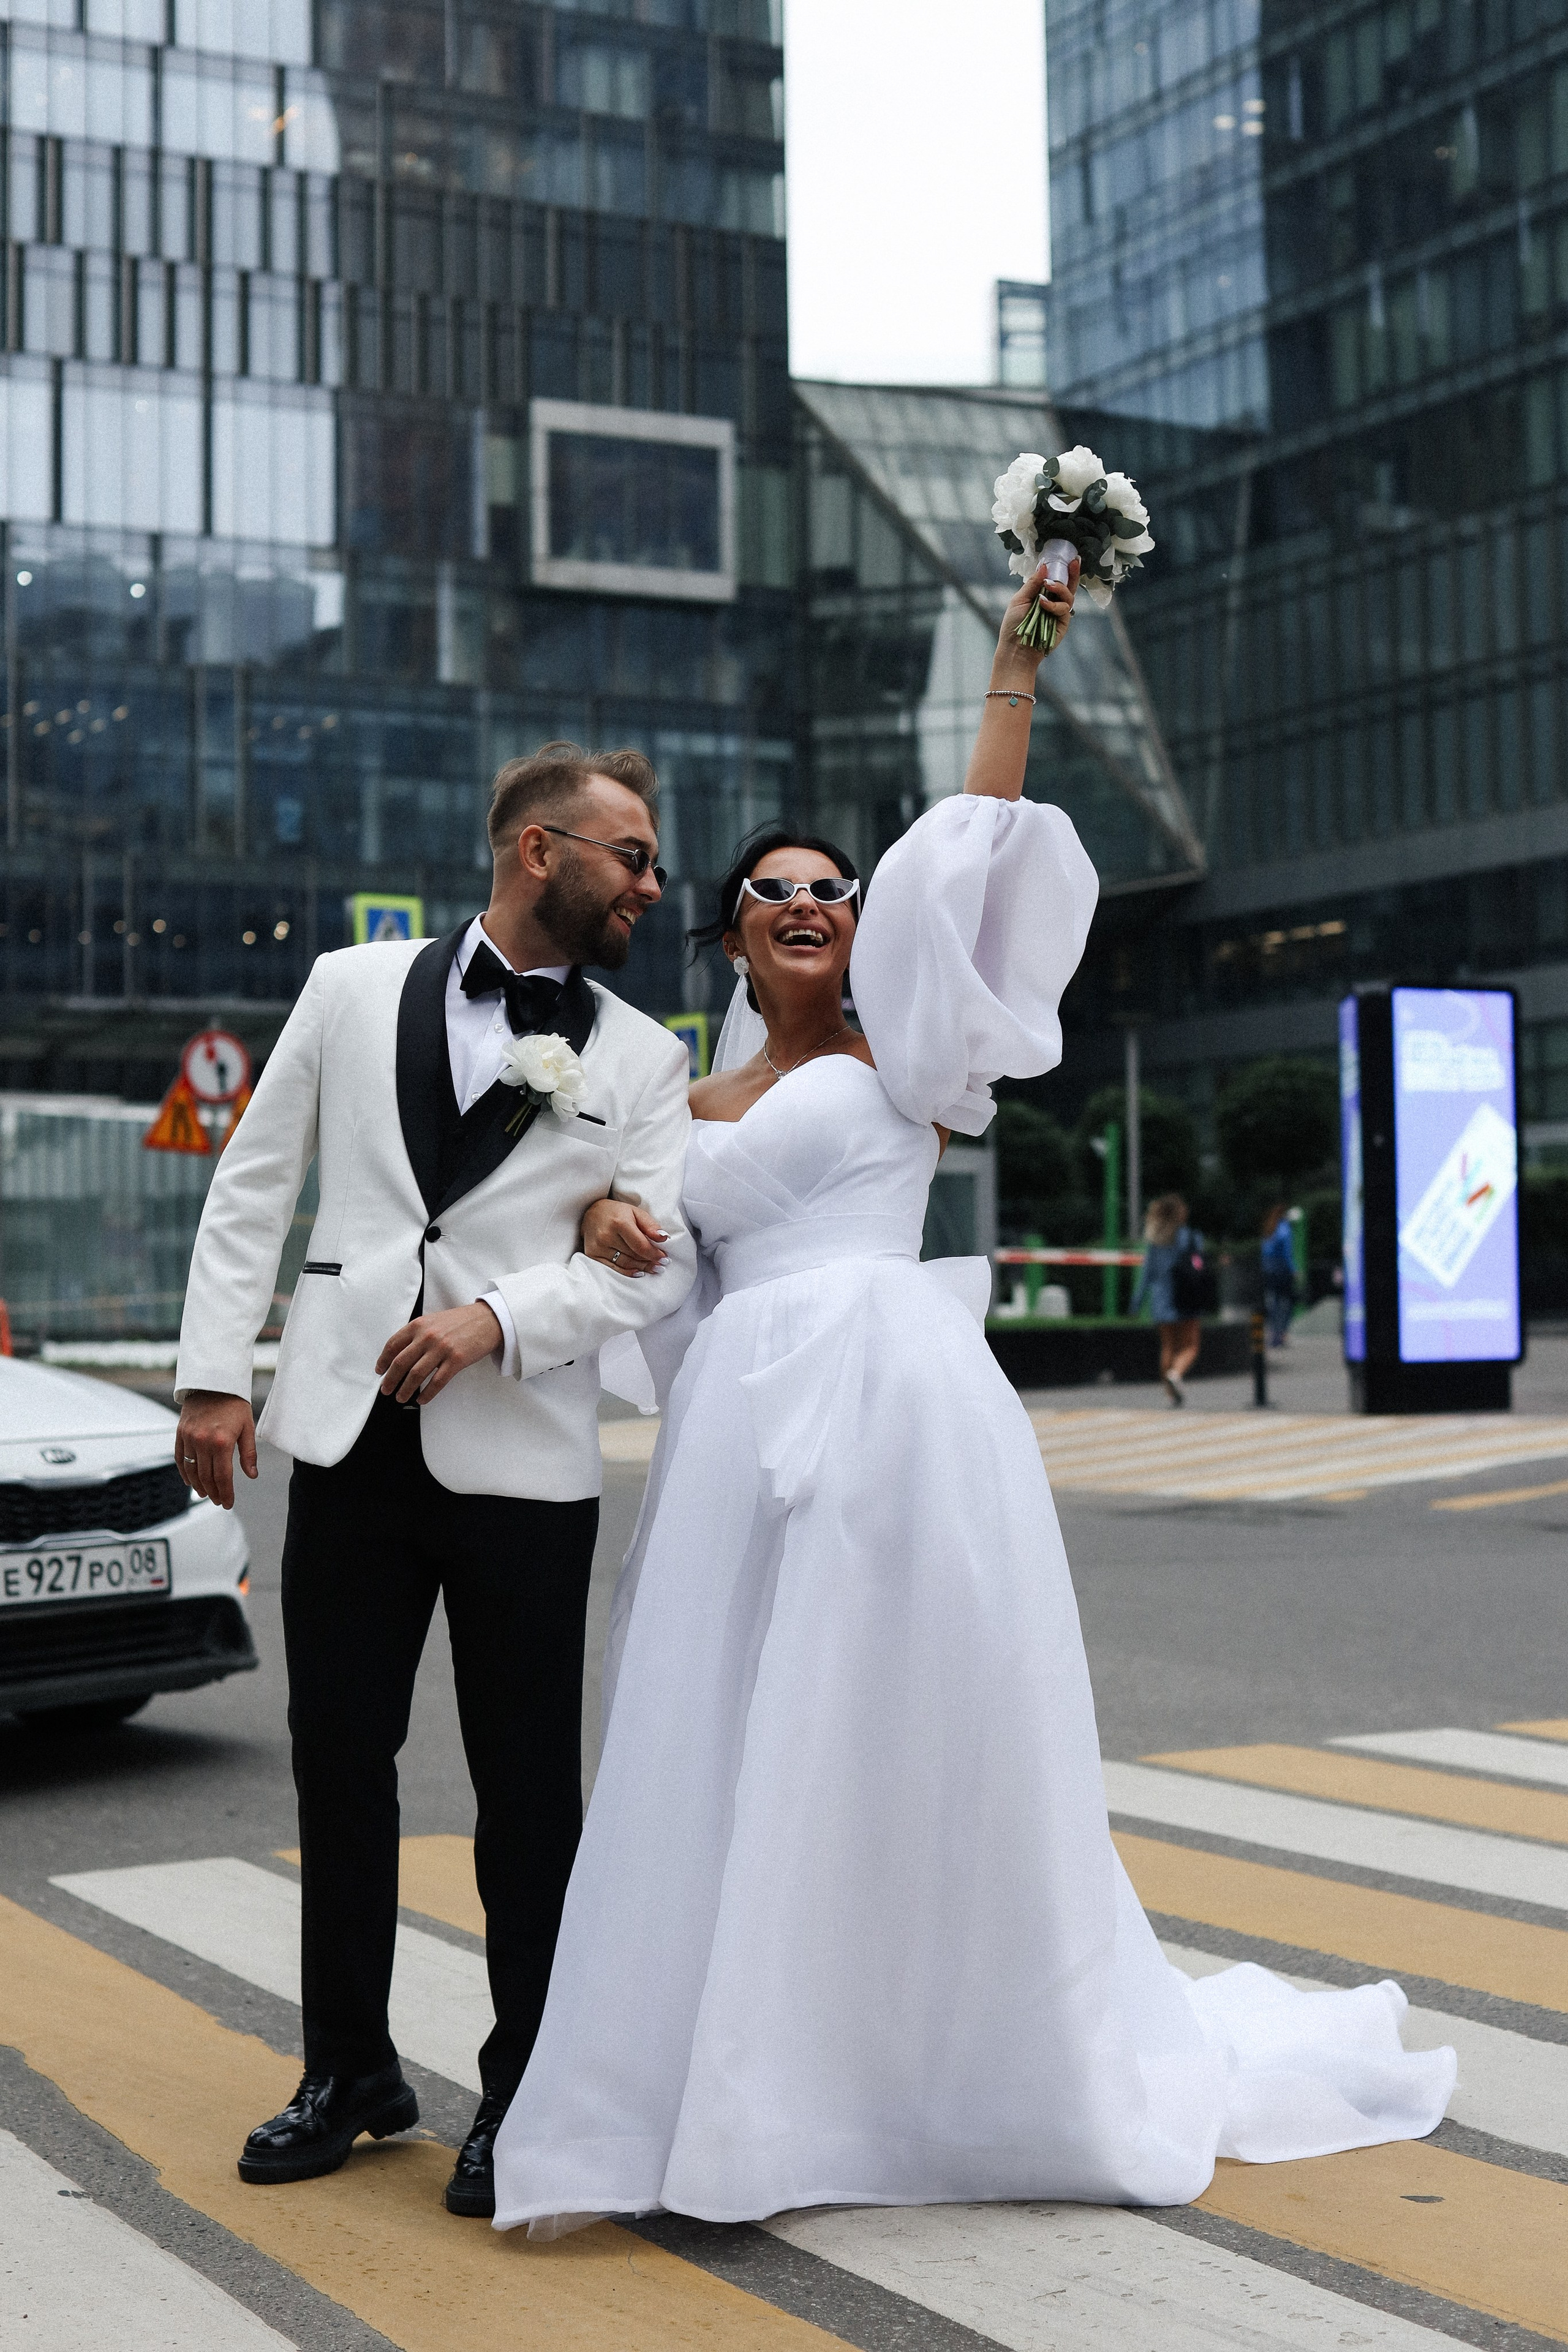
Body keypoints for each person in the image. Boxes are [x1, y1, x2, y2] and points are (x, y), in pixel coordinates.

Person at [489, 563, 1453, 2235]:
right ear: (727, 931)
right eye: (771, 889)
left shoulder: (913, 1058)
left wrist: (1020, 655)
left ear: (859, 927)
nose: (807, 903)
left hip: (900, 1414)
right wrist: (607, 1221)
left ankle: (954, 2062)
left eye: (832, 890)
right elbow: (659, 1280)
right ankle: (750, 2075)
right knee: (743, 1741)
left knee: (914, 1737)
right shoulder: (671, 1093)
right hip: (734, 1428)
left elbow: (975, 842)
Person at [172, 742, 696, 2217]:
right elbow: (255, 1179)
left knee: (529, 1795)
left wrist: (501, 1318)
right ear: (539, 852)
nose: (651, 886)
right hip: (342, 1438)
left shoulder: (643, 1058)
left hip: (521, 1456)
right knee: (337, 1763)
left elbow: (653, 1269)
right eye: (630, 857)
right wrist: (217, 1373)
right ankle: (350, 2070)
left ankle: (524, 2090)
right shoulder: (348, 986)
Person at [1131, 1193, 1204, 1405]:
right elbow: (1199, 1267)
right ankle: (1177, 1374)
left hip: (1161, 1300)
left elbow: (1147, 1275)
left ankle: (1171, 1394)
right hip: (1186, 1297)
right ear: (1180, 1213)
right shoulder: (1191, 1237)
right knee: (1191, 1346)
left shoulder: (1156, 1242)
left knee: (1168, 1346)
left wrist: (1136, 1302)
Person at [1261, 1203, 1298, 1348]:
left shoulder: (1269, 1229)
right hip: (1282, 1269)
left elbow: (1265, 1252)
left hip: (1269, 1270)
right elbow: (1287, 1254)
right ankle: (1282, 1334)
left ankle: (1273, 1334)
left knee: (1273, 1302)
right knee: (1287, 1303)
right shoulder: (1285, 1230)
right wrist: (1293, 1269)